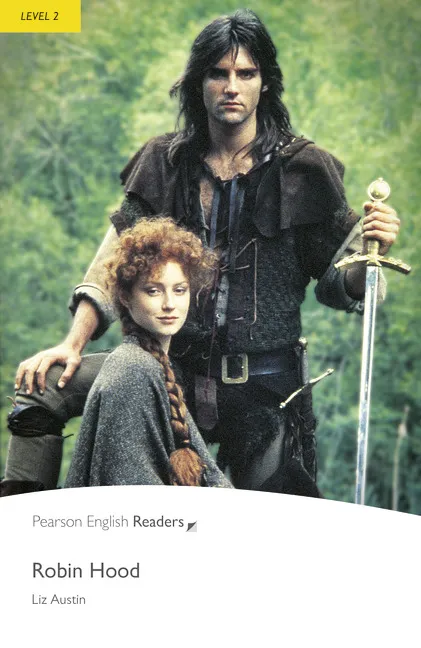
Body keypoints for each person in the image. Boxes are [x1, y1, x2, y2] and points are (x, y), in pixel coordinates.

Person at [1, 9, 401, 496]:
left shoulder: (303, 170)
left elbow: (342, 285)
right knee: (41, 387)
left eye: (246, 74)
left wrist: (368, 254)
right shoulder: (164, 162)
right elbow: (111, 268)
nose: (232, 86)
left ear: (265, 84)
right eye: (218, 73)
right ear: (199, 83)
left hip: (264, 394)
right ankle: (21, 524)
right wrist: (73, 344)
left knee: (279, 524)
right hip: (164, 370)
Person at [65, 218, 231, 488]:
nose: (169, 304)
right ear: (126, 298)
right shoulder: (131, 369)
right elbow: (130, 489)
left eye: (180, 290)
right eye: (153, 291)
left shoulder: (151, 363)